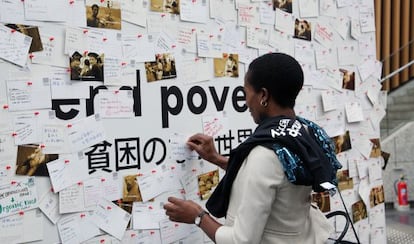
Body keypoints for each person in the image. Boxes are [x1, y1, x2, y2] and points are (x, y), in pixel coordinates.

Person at [163, 53, 342, 243]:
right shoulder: (302, 132)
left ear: (263, 95)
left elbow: (242, 241)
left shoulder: (266, 153)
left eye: (246, 92)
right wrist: (216, 159)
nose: (246, 101)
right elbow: (276, 180)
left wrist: (198, 216)